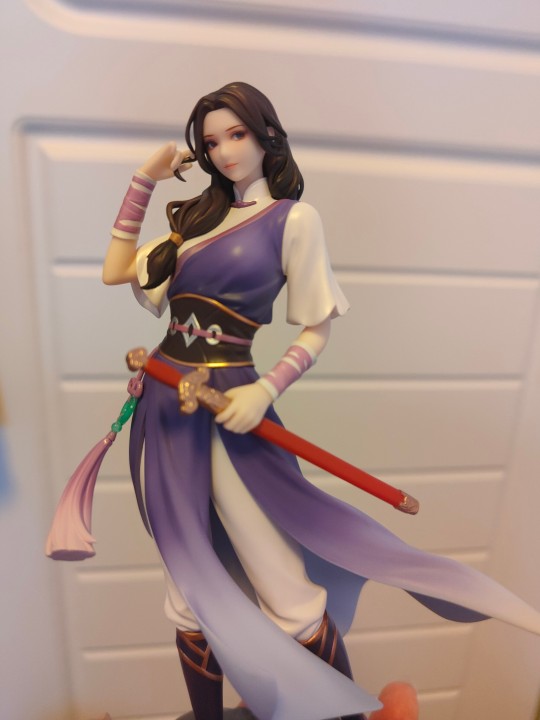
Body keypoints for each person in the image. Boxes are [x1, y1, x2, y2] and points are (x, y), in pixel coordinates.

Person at [102, 82, 540, 720]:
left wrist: (265, 389)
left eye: (236, 134)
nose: (224, 151)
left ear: (265, 135)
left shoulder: (292, 220)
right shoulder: (193, 223)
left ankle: (343, 713)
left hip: (231, 408)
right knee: (187, 588)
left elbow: (316, 328)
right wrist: (144, 178)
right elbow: (116, 271)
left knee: (285, 586)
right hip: (165, 411)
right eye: (212, 141)